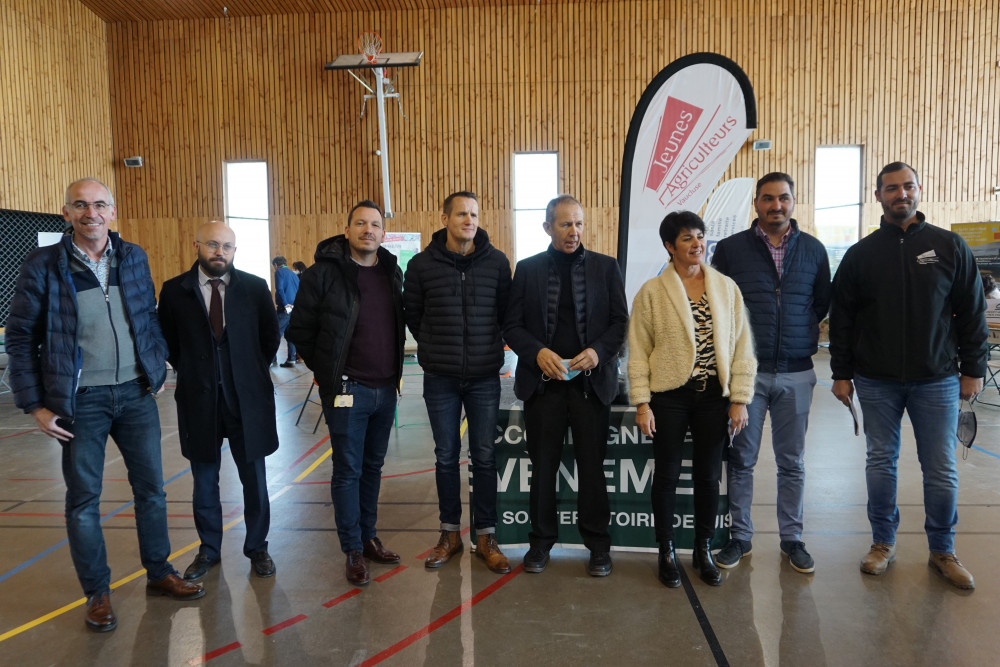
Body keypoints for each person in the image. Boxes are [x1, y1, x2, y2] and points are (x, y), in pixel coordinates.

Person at [6, 178, 204, 633]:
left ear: (112, 211)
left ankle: (160, 572)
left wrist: (155, 367)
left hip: (135, 394)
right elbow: (20, 338)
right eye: (80, 205)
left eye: (99, 205)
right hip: (80, 402)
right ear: (66, 213)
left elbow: (147, 316)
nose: (90, 213)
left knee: (151, 492)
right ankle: (97, 593)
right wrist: (35, 405)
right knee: (83, 502)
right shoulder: (43, 264)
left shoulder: (133, 257)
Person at [829, 161, 987, 590]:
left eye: (908, 186)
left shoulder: (949, 246)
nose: (901, 194)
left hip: (937, 379)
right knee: (881, 462)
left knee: (940, 468)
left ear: (919, 190)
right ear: (878, 195)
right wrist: (841, 373)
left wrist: (973, 369)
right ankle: (882, 543)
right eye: (892, 188)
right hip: (876, 380)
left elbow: (972, 311)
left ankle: (943, 551)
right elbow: (842, 319)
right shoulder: (861, 254)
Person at [628, 210, 756, 588]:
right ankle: (666, 550)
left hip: (714, 397)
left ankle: (703, 549)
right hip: (669, 397)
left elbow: (742, 345)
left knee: (708, 477)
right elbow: (638, 350)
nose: (697, 243)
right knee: (666, 476)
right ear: (670, 246)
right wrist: (642, 403)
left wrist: (740, 398)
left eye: (699, 236)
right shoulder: (652, 292)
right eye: (686, 238)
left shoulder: (726, 287)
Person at [711, 173, 831, 574]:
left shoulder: (813, 249)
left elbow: (821, 303)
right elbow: (718, 304)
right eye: (767, 198)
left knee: (792, 462)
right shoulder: (730, 250)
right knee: (741, 459)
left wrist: (798, 330)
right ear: (756, 204)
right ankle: (740, 537)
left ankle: (792, 538)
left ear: (793, 201)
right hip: (748, 375)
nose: (775, 205)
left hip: (797, 373)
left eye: (783, 198)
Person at [503, 195, 628, 576]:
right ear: (547, 227)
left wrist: (598, 352)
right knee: (543, 469)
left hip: (592, 386)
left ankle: (598, 546)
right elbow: (511, 325)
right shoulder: (527, 270)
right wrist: (537, 352)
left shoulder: (606, 267)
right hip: (544, 387)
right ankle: (540, 543)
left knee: (592, 468)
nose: (574, 231)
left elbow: (620, 323)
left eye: (579, 223)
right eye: (565, 224)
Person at [287, 200, 405, 586]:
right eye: (360, 223)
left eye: (375, 224)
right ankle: (352, 548)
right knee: (348, 469)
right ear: (347, 229)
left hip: (385, 389)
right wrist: (329, 373)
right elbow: (299, 330)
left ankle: (369, 537)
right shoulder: (322, 274)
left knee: (372, 468)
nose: (368, 230)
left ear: (383, 233)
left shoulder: (391, 271)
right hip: (346, 390)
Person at [158, 221, 280, 582]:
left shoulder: (255, 288)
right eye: (213, 244)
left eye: (227, 246)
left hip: (247, 402)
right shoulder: (174, 291)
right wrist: (195, 372)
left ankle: (257, 547)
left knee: (254, 480)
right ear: (197, 245)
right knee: (204, 481)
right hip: (199, 400)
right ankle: (209, 550)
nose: (220, 252)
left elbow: (270, 337)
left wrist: (246, 371)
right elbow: (169, 342)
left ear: (234, 251)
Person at [403, 191, 513, 574]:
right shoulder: (421, 265)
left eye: (474, 214)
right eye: (462, 214)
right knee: (446, 456)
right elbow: (414, 316)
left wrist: (485, 347)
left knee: (484, 456)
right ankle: (449, 535)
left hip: (484, 377)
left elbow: (505, 314)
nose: (469, 220)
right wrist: (437, 346)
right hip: (440, 378)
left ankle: (486, 537)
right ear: (445, 218)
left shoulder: (497, 263)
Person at [271, 255, 300, 368]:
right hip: (294, 308)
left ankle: (271, 359)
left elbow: (280, 289)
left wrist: (285, 304)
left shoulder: (279, 272)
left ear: (275, 265)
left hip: (285, 309)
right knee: (290, 335)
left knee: (274, 334)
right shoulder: (293, 274)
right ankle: (291, 359)